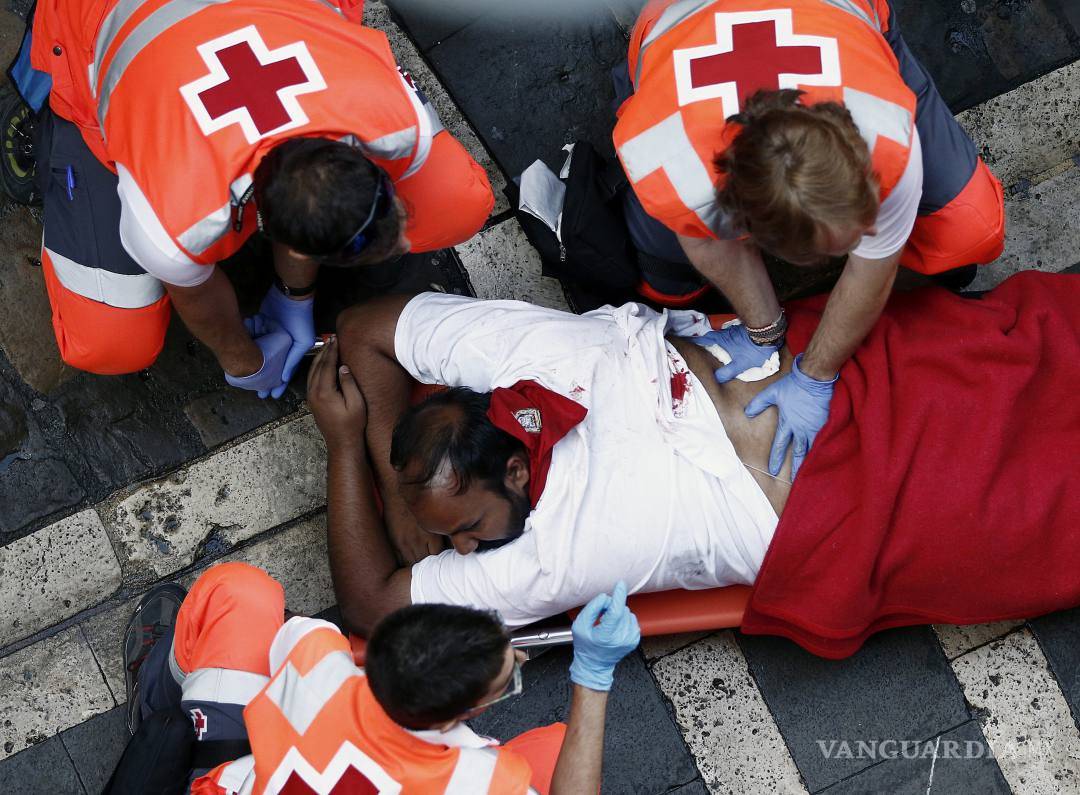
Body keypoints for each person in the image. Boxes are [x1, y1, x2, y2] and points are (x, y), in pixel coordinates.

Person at [611, 0, 1005, 476]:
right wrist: (764, 330)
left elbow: (873, 269)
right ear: (745, 224)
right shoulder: (674, 166)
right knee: (664, 268)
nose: (862, 244)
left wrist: (816, 374)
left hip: (838, 15)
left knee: (969, 226)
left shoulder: (884, 130)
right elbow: (710, 245)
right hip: (671, 22)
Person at [23, 0, 493, 395]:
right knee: (111, 342)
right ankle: (48, 130)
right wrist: (244, 361)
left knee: (457, 202)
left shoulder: (389, 111)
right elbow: (199, 299)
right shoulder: (174, 221)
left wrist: (295, 294)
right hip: (94, 23)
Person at [307, 290, 792, 636]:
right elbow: (365, 327)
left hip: (810, 504)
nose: (459, 548)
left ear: (516, 470)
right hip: (797, 378)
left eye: (470, 525)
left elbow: (371, 608)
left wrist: (345, 446)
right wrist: (399, 499)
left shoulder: (548, 563)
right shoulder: (532, 350)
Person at [118, 562, 640, 794]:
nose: (521, 663)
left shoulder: (316, 656)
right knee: (556, 751)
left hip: (246, 783)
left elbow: (288, 641)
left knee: (239, 592)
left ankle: (168, 702)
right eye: (506, 678)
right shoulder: (481, 782)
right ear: (456, 717)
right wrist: (592, 675)